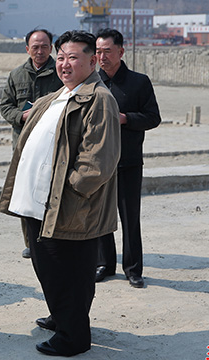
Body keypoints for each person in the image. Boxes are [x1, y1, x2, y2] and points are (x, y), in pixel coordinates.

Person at [0, 30, 120, 357]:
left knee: (67, 275)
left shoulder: (98, 99)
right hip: (38, 206)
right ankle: (63, 317)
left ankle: (73, 337)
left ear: (92, 61)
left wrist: (68, 192)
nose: (64, 64)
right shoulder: (57, 96)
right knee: (50, 270)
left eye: (73, 57)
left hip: (68, 209)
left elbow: (98, 162)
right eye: (61, 57)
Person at [95, 28, 161, 288]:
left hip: (128, 162)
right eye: (98, 52)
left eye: (107, 52)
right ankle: (104, 264)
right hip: (99, 163)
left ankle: (133, 269)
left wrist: (126, 119)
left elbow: (153, 117)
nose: (102, 57)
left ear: (121, 52)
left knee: (129, 217)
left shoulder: (139, 82)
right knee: (100, 216)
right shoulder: (91, 82)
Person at [0, 29, 63, 258]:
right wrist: (22, 116)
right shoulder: (16, 75)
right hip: (23, 145)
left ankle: (52, 238)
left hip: (53, 144)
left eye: (44, 46)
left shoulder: (60, 73)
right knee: (26, 195)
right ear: (27, 49)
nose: (39, 51)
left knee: (51, 193)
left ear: (51, 47)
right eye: (35, 46)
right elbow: (6, 107)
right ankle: (31, 242)